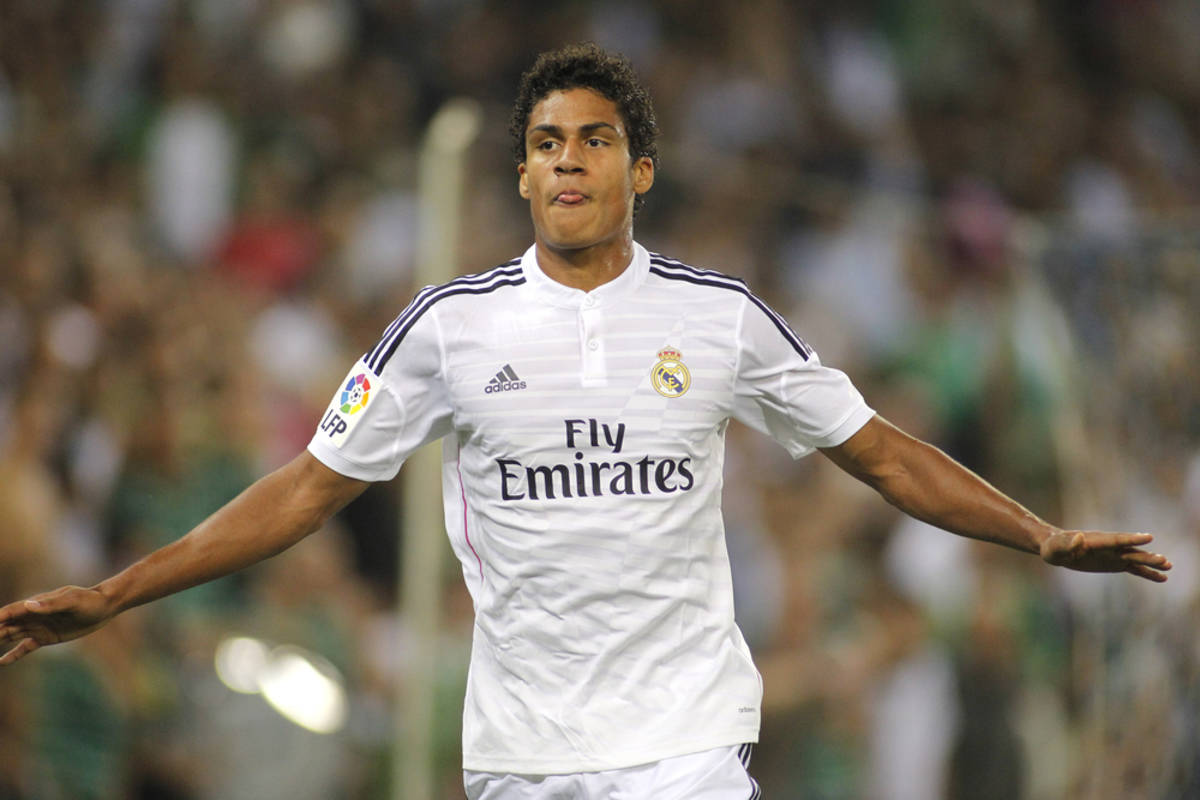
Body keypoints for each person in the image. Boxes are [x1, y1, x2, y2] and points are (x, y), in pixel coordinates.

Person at [0, 43, 1172, 799]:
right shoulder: (446, 328)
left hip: (685, 746)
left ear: (640, 169)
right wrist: (116, 590)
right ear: (521, 174)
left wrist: (1038, 534)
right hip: (525, 753)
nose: (567, 162)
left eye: (594, 140)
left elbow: (883, 455)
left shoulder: (719, 318)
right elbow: (305, 489)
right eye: (546, 143)